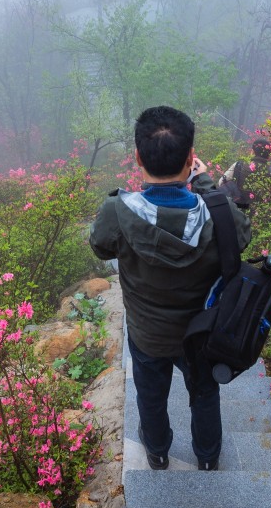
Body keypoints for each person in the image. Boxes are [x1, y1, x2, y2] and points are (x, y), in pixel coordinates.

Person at [89, 106, 251, 471]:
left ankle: (158, 453)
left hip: (147, 335)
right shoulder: (217, 211)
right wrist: (206, 184)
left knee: (150, 395)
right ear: (191, 158)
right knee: (205, 394)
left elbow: (101, 246)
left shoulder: (117, 211)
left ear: (137, 157)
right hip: (203, 334)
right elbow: (240, 236)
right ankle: (208, 459)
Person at [217, 137, 271, 210]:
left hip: (239, 211)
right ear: (269, 154)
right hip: (263, 214)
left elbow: (221, 182)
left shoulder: (239, 165)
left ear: (252, 151)